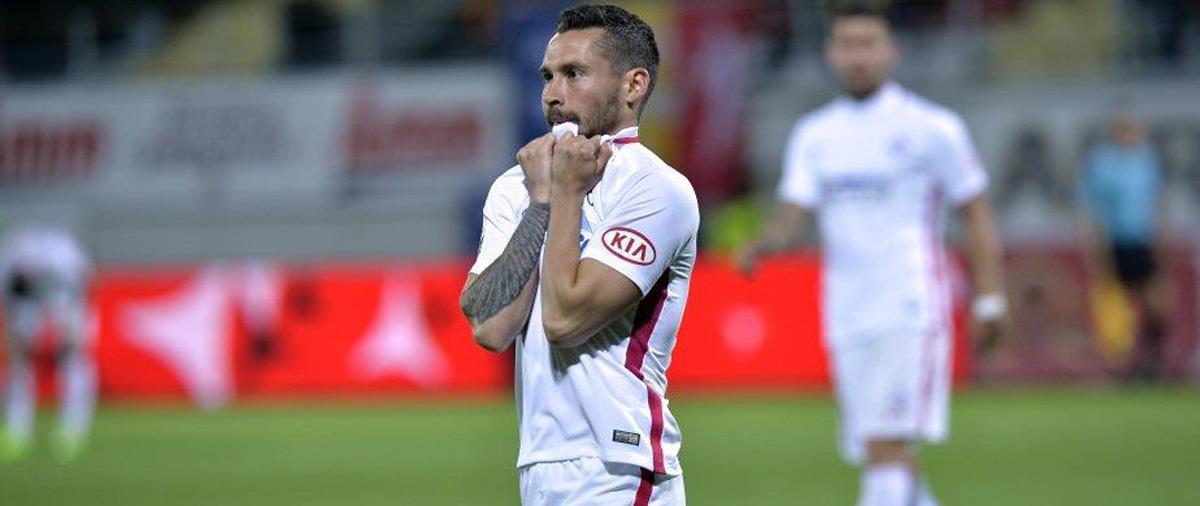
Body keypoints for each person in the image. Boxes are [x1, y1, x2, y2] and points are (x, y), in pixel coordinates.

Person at [737, 4, 1006, 506]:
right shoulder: (816, 133)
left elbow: (975, 211)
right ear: (830, 54)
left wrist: (990, 299)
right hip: (846, 312)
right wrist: (764, 242)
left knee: (886, 445)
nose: (857, 57)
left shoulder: (932, 127)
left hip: (909, 306)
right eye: (847, 45)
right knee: (879, 449)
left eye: (868, 45)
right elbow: (795, 210)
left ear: (891, 52)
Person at [459, 5, 695, 505]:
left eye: (575, 74)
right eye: (547, 76)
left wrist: (563, 193)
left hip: (618, 464)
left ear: (633, 85)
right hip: (540, 463)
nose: (552, 93)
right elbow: (490, 327)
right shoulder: (518, 187)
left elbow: (564, 320)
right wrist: (541, 202)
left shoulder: (655, 189)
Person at [1079, 106, 1166, 382]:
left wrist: (1162, 240)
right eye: (1126, 130)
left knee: (1157, 304)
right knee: (1116, 309)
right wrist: (1096, 250)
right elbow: (1094, 210)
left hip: (1143, 241)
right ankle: (1119, 369)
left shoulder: (1147, 160)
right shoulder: (1102, 163)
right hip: (1115, 242)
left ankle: (1154, 362)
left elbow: (1156, 203)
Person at [0, 224, 95, 462]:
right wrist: (16, 334)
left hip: (66, 304)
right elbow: (11, 300)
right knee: (20, 366)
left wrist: (69, 333)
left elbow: (81, 290)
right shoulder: (14, 260)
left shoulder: (63, 258)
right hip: (31, 307)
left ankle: (72, 429)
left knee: (72, 363)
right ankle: (17, 431)